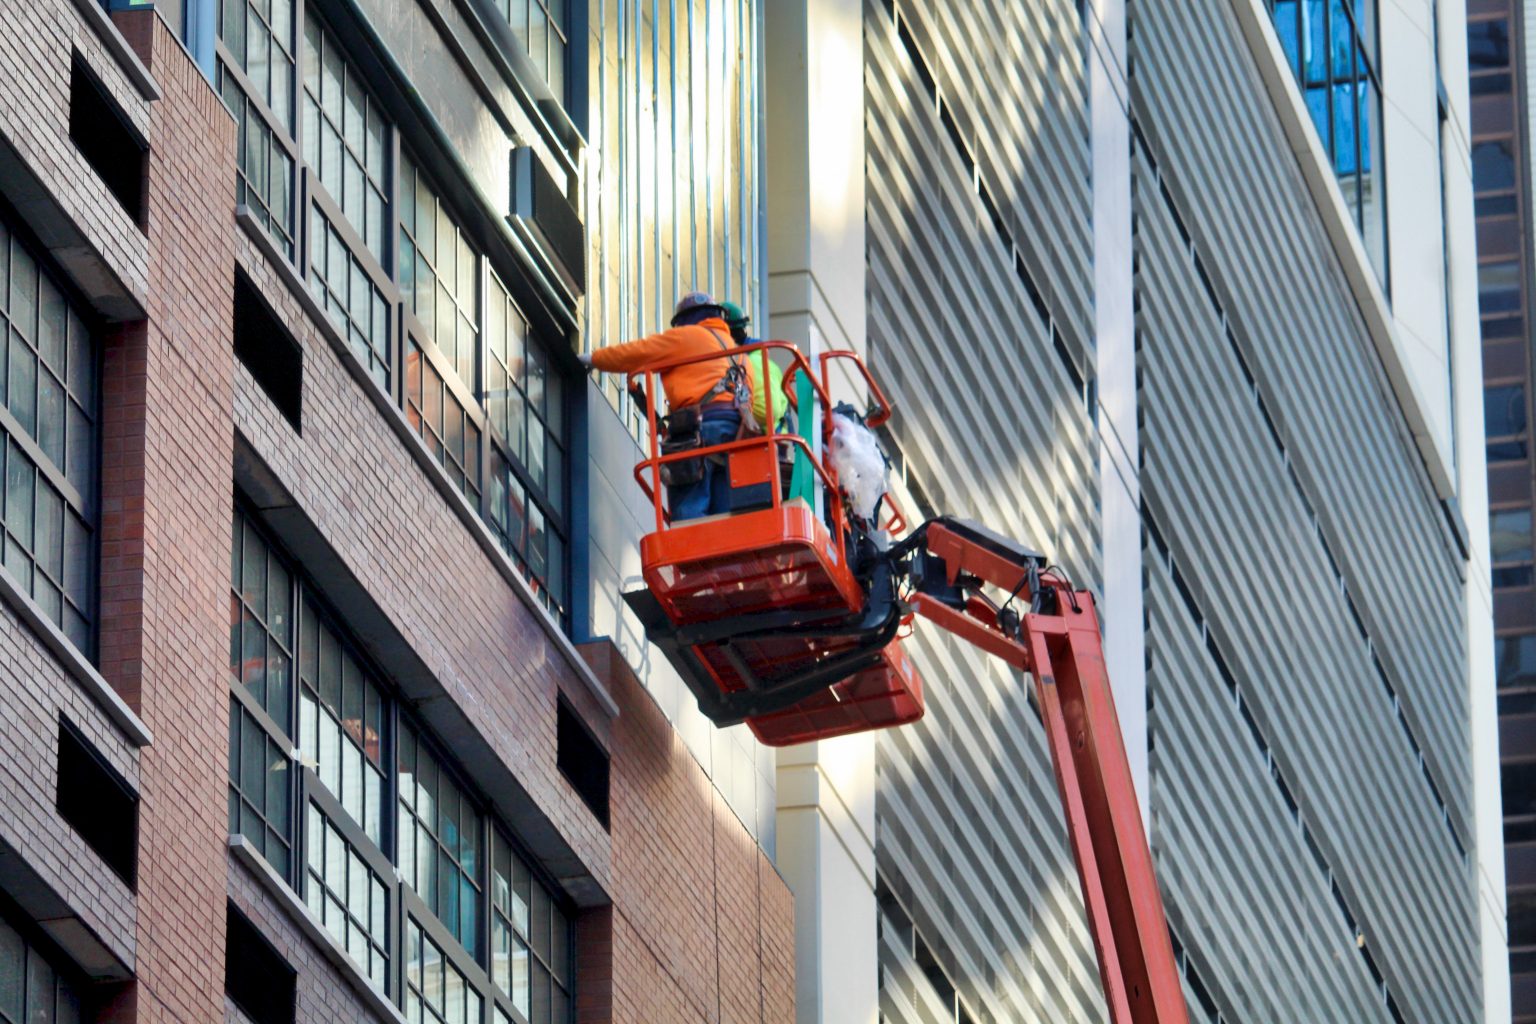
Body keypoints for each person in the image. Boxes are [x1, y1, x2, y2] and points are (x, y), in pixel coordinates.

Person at [579, 293, 740, 520]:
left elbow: (637, 353)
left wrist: (594, 359)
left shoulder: (686, 337)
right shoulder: (738, 355)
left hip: (702, 427)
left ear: (686, 319)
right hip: (737, 435)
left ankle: (692, 549)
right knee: (724, 515)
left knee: (689, 512)